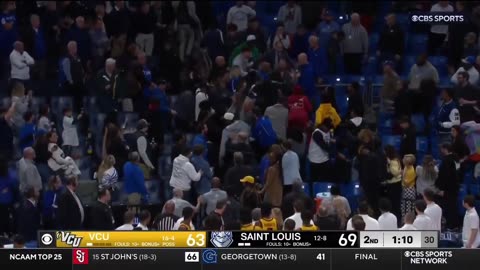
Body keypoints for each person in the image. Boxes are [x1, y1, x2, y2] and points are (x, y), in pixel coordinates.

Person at [436, 143, 459, 229]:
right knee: (453, 206)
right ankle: (455, 224)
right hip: (454, 187)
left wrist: (441, 189)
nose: (441, 151)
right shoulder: (455, 158)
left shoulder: (447, 161)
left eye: (442, 149)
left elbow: (445, 176)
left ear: (445, 149)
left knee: (449, 207)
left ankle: (451, 225)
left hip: (448, 189)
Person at [60, 41, 85, 112]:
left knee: (80, 101)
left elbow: (81, 69)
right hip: (71, 85)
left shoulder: (78, 57)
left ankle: (80, 113)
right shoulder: (66, 59)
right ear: (70, 48)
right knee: (73, 102)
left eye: (76, 46)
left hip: (79, 84)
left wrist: (83, 77)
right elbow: (66, 72)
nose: (76, 48)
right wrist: (71, 81)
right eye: (74, 47)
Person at [383, 145, 402, 220]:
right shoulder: (393, 160)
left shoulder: (393, 161)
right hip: (392, 184)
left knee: (395, 204)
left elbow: (395, 172)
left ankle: (397, 220)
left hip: (395, 185)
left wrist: (389, 163)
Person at [401, 154, 417, 219]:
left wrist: (402, 176)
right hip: (405, 190)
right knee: (404, 206)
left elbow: (407, 183)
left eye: (404, 160)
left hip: (409, 191)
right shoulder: (406, 167)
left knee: (408, 208)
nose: (402, 160)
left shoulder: (411, 171)